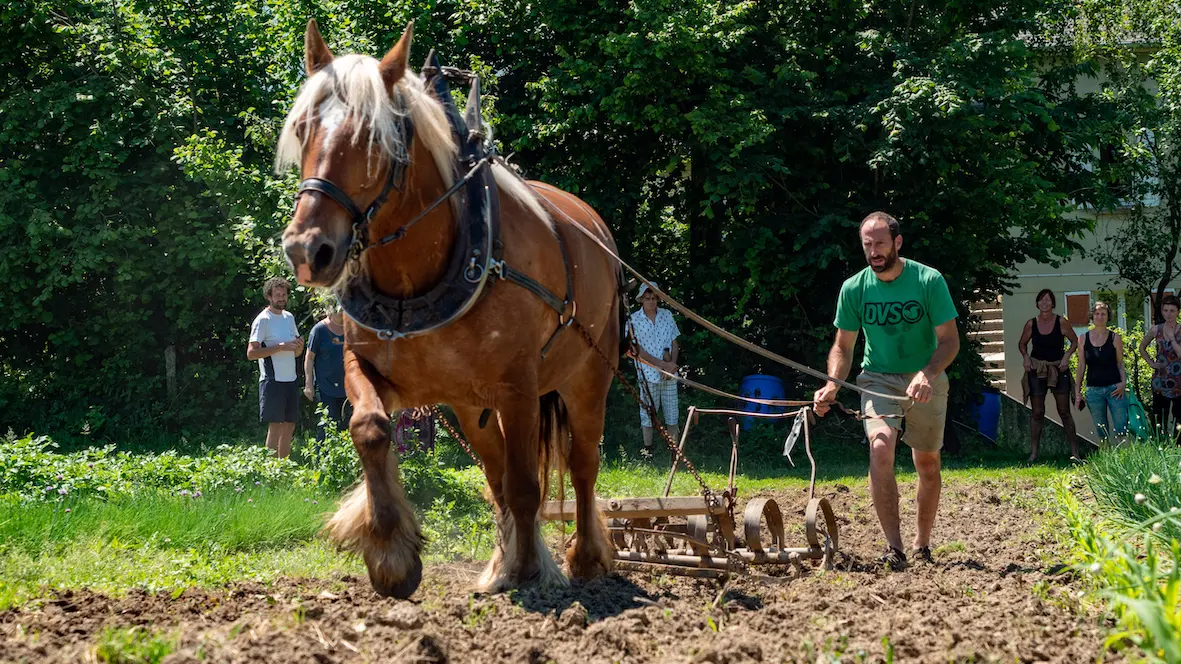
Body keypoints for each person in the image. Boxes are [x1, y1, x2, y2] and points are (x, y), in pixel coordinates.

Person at [813, 212, 960, 569]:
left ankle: (922, 544)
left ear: (897, 242)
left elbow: (950, 341)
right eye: (867, 245)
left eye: (880, 243)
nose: (873, 251)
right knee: (880, 447)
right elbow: (844, 347)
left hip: (926, 377)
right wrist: (833, 383)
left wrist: (927, 373)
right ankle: (894, 549)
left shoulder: (929, 280)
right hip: (878, 378)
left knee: (927, 463)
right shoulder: (854, 288)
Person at [1017, 289, 1079, 461]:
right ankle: (1034, 453)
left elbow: (1074, 341)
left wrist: (1067, 356)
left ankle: (1075, 452)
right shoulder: (1031, 324)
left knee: (1064, 411)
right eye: (1041, 300)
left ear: (1053, 303)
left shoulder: (1061, 322)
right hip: (1038, 369)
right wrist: (1026, 357)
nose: (1044, 303)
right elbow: (1022, 344)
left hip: (1058, 368)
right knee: (1037, 412)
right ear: (1037, 303)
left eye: (1048, 300)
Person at [247, 277, 303, 458]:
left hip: (291, 379)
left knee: (289, 424)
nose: (281, 298)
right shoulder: (263, 320)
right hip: (272, 381)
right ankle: (270, 470)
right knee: (276, 425)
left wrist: (299, 346)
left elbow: (294, 353)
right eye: (277, 295)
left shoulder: (289, 317)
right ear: (269, 297)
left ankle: (283, 466)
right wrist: (280, 346)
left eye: (284, 295)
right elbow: (251, 353)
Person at [629, 282, 681, 457]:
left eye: (654, 298)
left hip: (669, 374)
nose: (651, 301)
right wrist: (663, 365)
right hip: (647, 373)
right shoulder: (634, 320)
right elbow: (637, 351)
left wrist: (672, 365)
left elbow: (674, 342)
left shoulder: (667, 315)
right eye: (647, 298)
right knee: (648, 413)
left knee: (672, 412)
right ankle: (648, 450)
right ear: (641, 299)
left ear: (658, 299)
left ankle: (674, 451)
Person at [1074, 301, 1128, 445]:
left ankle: (1123, 460)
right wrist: (1077, 391)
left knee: (1121, 428)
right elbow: (1081, 366)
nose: (1100, 317)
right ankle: (1106, 461)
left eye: (1103, 314)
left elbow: (1120, 363)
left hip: (1115, 389)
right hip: (1093, 390)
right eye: (1097, 314)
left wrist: (1123, 383)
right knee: (1101, 430)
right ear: (1092, 316)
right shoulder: (1083, 339)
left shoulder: (1115, 338)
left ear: (1108, 316)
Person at [1139, 293, 1181, 444]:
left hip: (1179, 380)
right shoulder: (1155, 330)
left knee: (1179, 418)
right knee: (1159, 417)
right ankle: (1159, 446)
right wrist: (1150, 362)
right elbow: (1142, 347)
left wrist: (1171, 338)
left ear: (1177, 312)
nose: (1168, 314)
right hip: (1160, 380)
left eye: (1172, 310)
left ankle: (1178, 449)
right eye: (1166, 310)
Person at [304, 306, 348, 441]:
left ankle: (345, 461)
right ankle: (320, 460)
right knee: (327, 428)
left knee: (348, 428)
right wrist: (308, 384)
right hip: (326, 388)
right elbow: (309, 358)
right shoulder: (319, 330)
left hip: (349, 388)